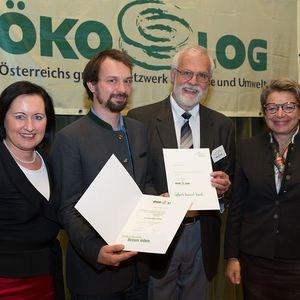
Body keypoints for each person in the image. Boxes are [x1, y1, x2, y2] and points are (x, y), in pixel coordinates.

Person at [127, 45, 235, 300]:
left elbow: (230, 180)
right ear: (172, 75)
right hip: (158, 233)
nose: (193, 82)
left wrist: (224, 189)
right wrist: (157, 201)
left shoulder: (223, 126)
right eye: (187, 73)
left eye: (203, 76)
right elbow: (135, 177)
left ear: (210, 82)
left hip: (201, 233)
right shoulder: (140, 119)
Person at [51, 49, 151, 300]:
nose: (122, 88)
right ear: (91, 85)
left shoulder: (139, 131)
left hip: (139, 272)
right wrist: (96, 251)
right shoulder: (70, 138)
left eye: (127, 81)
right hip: (94, 277)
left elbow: (145, 182)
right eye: (112, 80)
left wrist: (158, 202)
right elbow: (67, 207)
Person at [225, 78, 300, 299]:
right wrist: (232, 256)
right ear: (263, 112)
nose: (280, 114)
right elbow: (237, 206)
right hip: (255, 260)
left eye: (288, 106)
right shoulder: (247, 149)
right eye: (272, 108)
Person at [0, 81, 65, 299]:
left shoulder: (51, 163)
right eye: (19, 116)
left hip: (48, 280)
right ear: (3, 118)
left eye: (38, 117)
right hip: (7, 285)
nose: (29, 126)